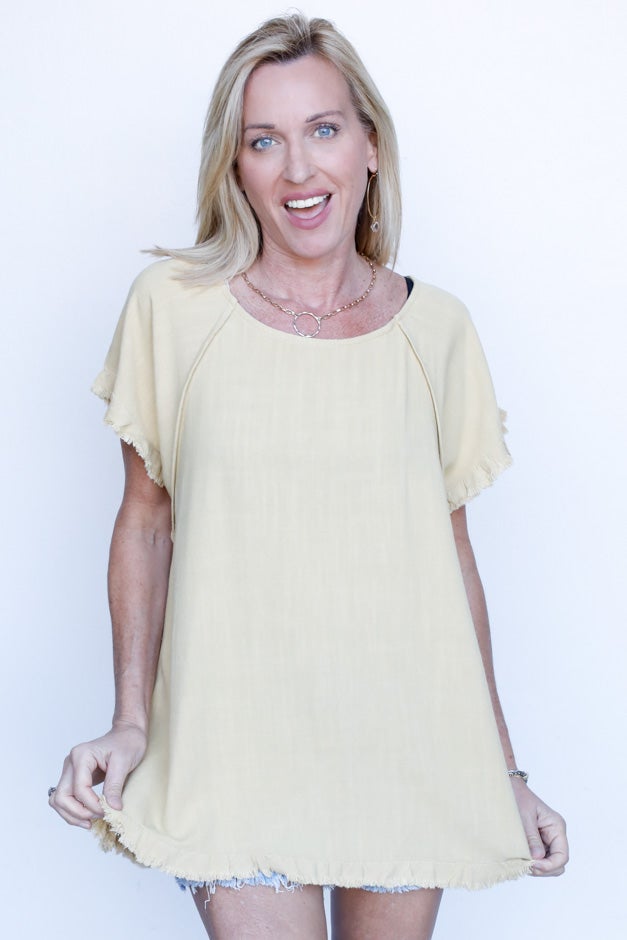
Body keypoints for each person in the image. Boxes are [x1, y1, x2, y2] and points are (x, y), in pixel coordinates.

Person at [49, 13, 568, 940]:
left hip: (409, 743)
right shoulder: (175, 310)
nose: (298, 170)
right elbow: (147, 522)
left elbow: (450, 559)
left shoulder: (438, 331)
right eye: (264, 141)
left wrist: (504, 770)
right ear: (233, 164)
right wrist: (130, 721)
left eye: (323, 130)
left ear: (370, 146)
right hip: (232, 744)